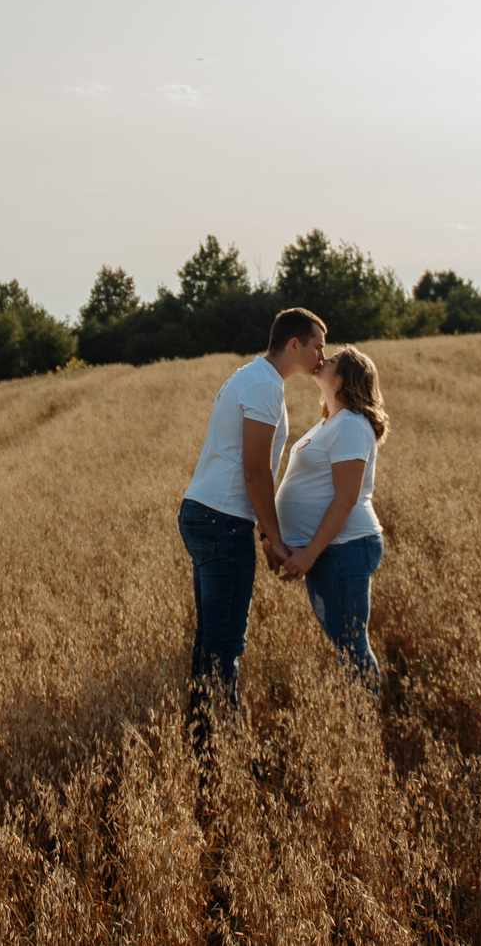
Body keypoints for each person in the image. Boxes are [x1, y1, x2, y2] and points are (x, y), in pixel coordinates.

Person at [179, 306, 326, 716]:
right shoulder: (264, 386)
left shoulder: (251, 376)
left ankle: (202, 740)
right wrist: (274, 538)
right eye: (317, 347)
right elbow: (255, 469)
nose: (322, 357)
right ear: (294, 345)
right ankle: (215, 749)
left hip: (206, 513)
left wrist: (263, 533)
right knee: (225, 643)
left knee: (212, 638)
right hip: (220, 521)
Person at [273, 344, 388, 691]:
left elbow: (346, 497)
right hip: (331, 550)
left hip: (344, 547)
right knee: (344, 642)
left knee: (351, 645)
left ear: (345, 378)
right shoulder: (332, 422)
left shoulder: (351, 425)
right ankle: (360, 714)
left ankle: (365, 722)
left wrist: (309, 553)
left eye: (333, 359)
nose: (323, 360)